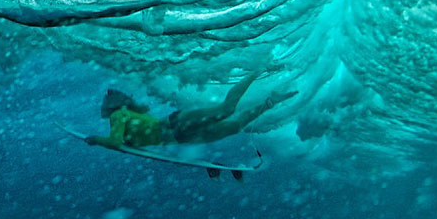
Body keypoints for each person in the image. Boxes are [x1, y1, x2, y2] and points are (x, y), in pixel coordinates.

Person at [85, 70, 297, 149]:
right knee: (235, 125)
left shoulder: (117, 116)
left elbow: (113, 142)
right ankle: (270, 102)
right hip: (179, 136)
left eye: (106, 102)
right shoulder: (125, 119)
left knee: (226, 110)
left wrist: (95, 140)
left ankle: (255, 71)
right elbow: (131, 140)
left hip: (176, 126)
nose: (103, 106)